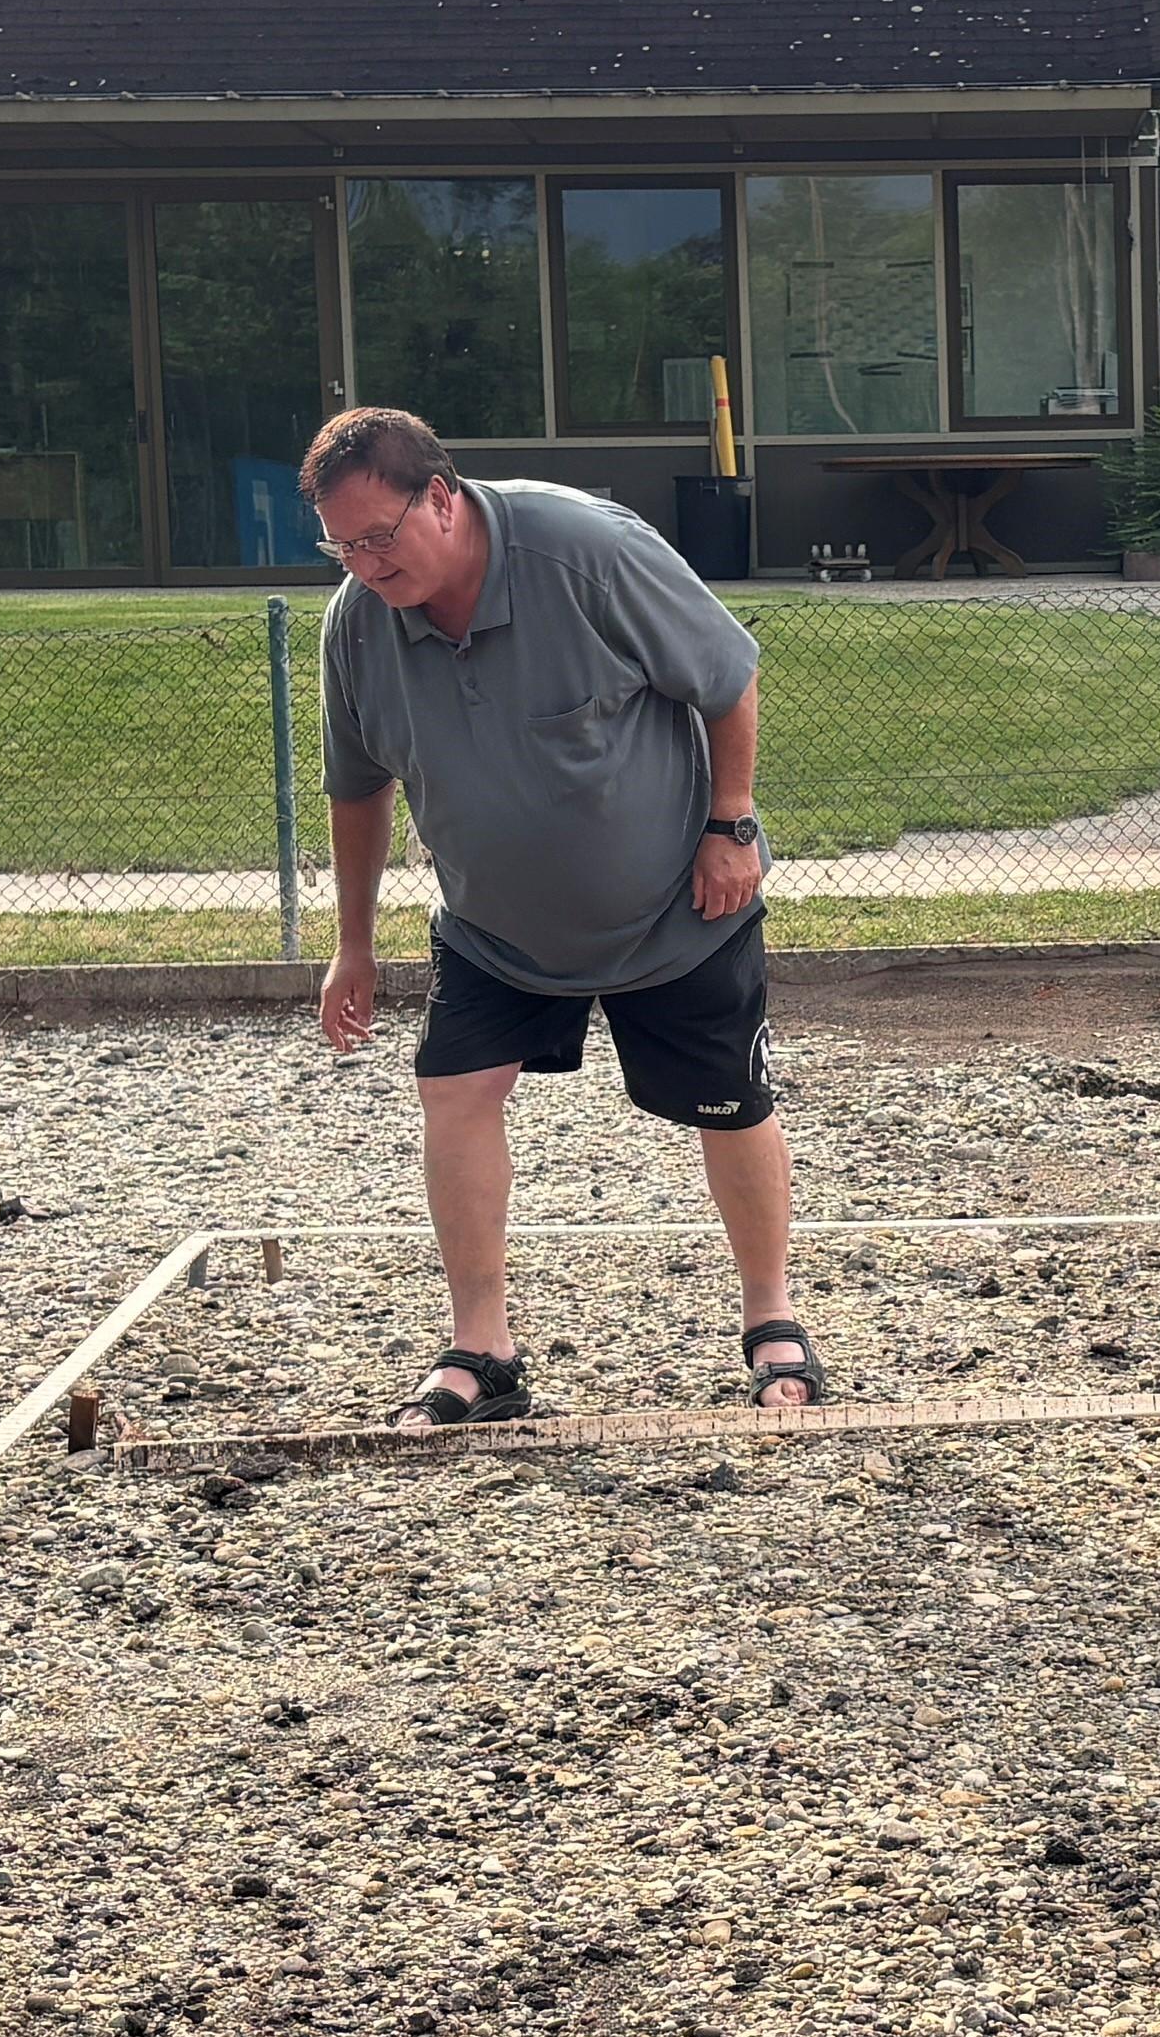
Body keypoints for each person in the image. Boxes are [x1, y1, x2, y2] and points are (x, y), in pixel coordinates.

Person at [302, 410, 823, 1425]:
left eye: (379, 538)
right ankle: (481, 1350)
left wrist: (733, 823)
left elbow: (727, 675)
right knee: (452, 1093)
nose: (363, 566)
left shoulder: (587, 551)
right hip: (493, 925)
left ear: (441, 498)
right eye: (341, 546)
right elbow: (355, 788)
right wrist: (352, 942)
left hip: (678, 907)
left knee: (730, 1104)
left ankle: (772, 1318)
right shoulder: (357, 626)